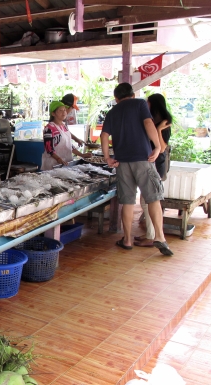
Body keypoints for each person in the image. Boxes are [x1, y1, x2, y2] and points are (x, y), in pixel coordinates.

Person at [100, 83, 173, 256]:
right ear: (132, 95)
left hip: (122, 162)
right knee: (153, 198)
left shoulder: (112, 112)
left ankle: (126, 240)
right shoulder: (139, 103)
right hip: (143, 159)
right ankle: (160, 237)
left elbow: (104, 136)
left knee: (128, 202)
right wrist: (156, 146)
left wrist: (107, 157)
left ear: (116, 99)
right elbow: (148, 123)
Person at [136, 94, 173, 248]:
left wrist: (158, 129)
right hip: (151, 162)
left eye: (148, 103)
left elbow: (162, 147)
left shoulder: (163, 122)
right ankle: (151, 234)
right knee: (146, 200)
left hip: (157, 163)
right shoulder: (154, 119)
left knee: (148, 200)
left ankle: (152, 236)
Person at [41, 101, 93, 171]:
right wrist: (58, 159)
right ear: (53, 113)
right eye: (61, 110)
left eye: (64, 110)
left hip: (65, 164)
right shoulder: (49, 128)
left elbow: (69, 146)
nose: (64, 112)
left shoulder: (64, 126)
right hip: (53, 165)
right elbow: (49, 149)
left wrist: (82, 155)